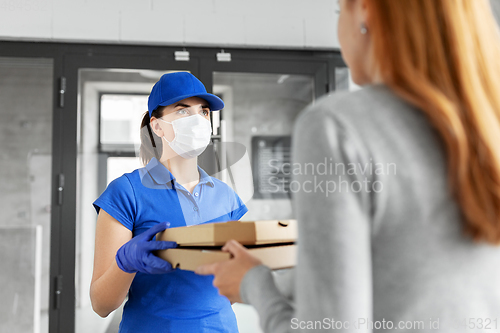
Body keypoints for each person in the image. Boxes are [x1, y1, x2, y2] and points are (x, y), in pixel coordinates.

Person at [196, 0, 500, 332]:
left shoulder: (337, 126)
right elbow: (411, 272)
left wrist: (254, 284)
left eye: (340, 11)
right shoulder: (487, 128)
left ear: (366, 10)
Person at [90, 72, 248, 332]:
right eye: (183, 111)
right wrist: (125, 264)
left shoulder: (225, 196)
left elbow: (231, 289)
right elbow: (101, 304)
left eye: (204, 112)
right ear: (157, 126)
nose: (198, 120)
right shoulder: (126, 192)